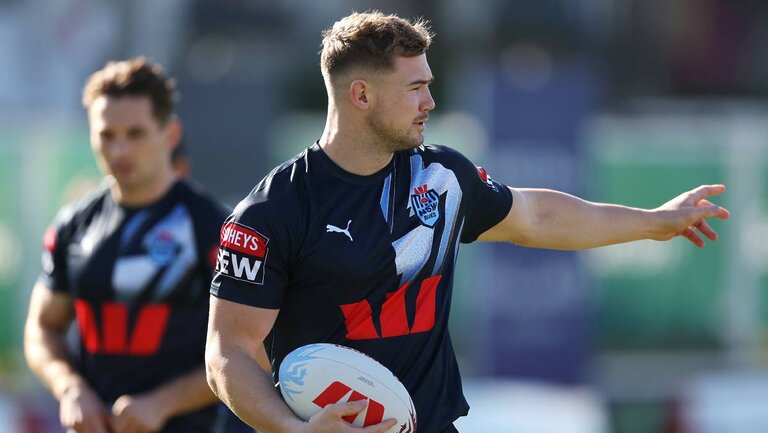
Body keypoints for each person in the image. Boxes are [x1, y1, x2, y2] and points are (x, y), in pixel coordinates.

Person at [204, 11, 730, 433]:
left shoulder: (443, 177)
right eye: (414, 88)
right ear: (360, 95)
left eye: (429, 84)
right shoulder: (272, 212)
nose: (430, 102)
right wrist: (290, 430)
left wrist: (654, 221)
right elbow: (227, 352)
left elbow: (537, 216)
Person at [24, 57, 227, 433]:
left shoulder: (212, 228)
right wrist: (70, 388)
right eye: (106, 135)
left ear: (169, 134)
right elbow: (42, 328)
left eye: (134, 134)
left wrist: (162, 403)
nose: (118, 150)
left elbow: (250, 352)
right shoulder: (74, 224)